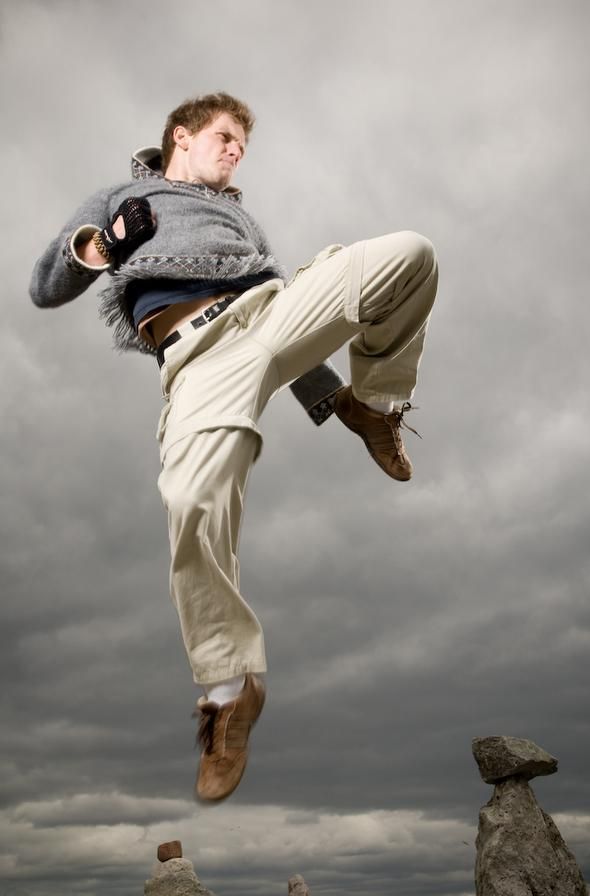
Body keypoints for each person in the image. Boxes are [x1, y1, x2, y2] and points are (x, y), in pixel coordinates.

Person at [30, 91, 438, 803]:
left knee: (411, 256)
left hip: (270, 313)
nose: (234, 151)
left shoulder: (239, 216)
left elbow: (286, 325)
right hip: (197, 359)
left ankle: (377, 404)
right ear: (180, 137)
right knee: (190, 503)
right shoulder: (123, 194)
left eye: (242, 146)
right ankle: (227, 693)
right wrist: (101, 244)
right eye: (224, 137)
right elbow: (46, 284)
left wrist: (330, 397)